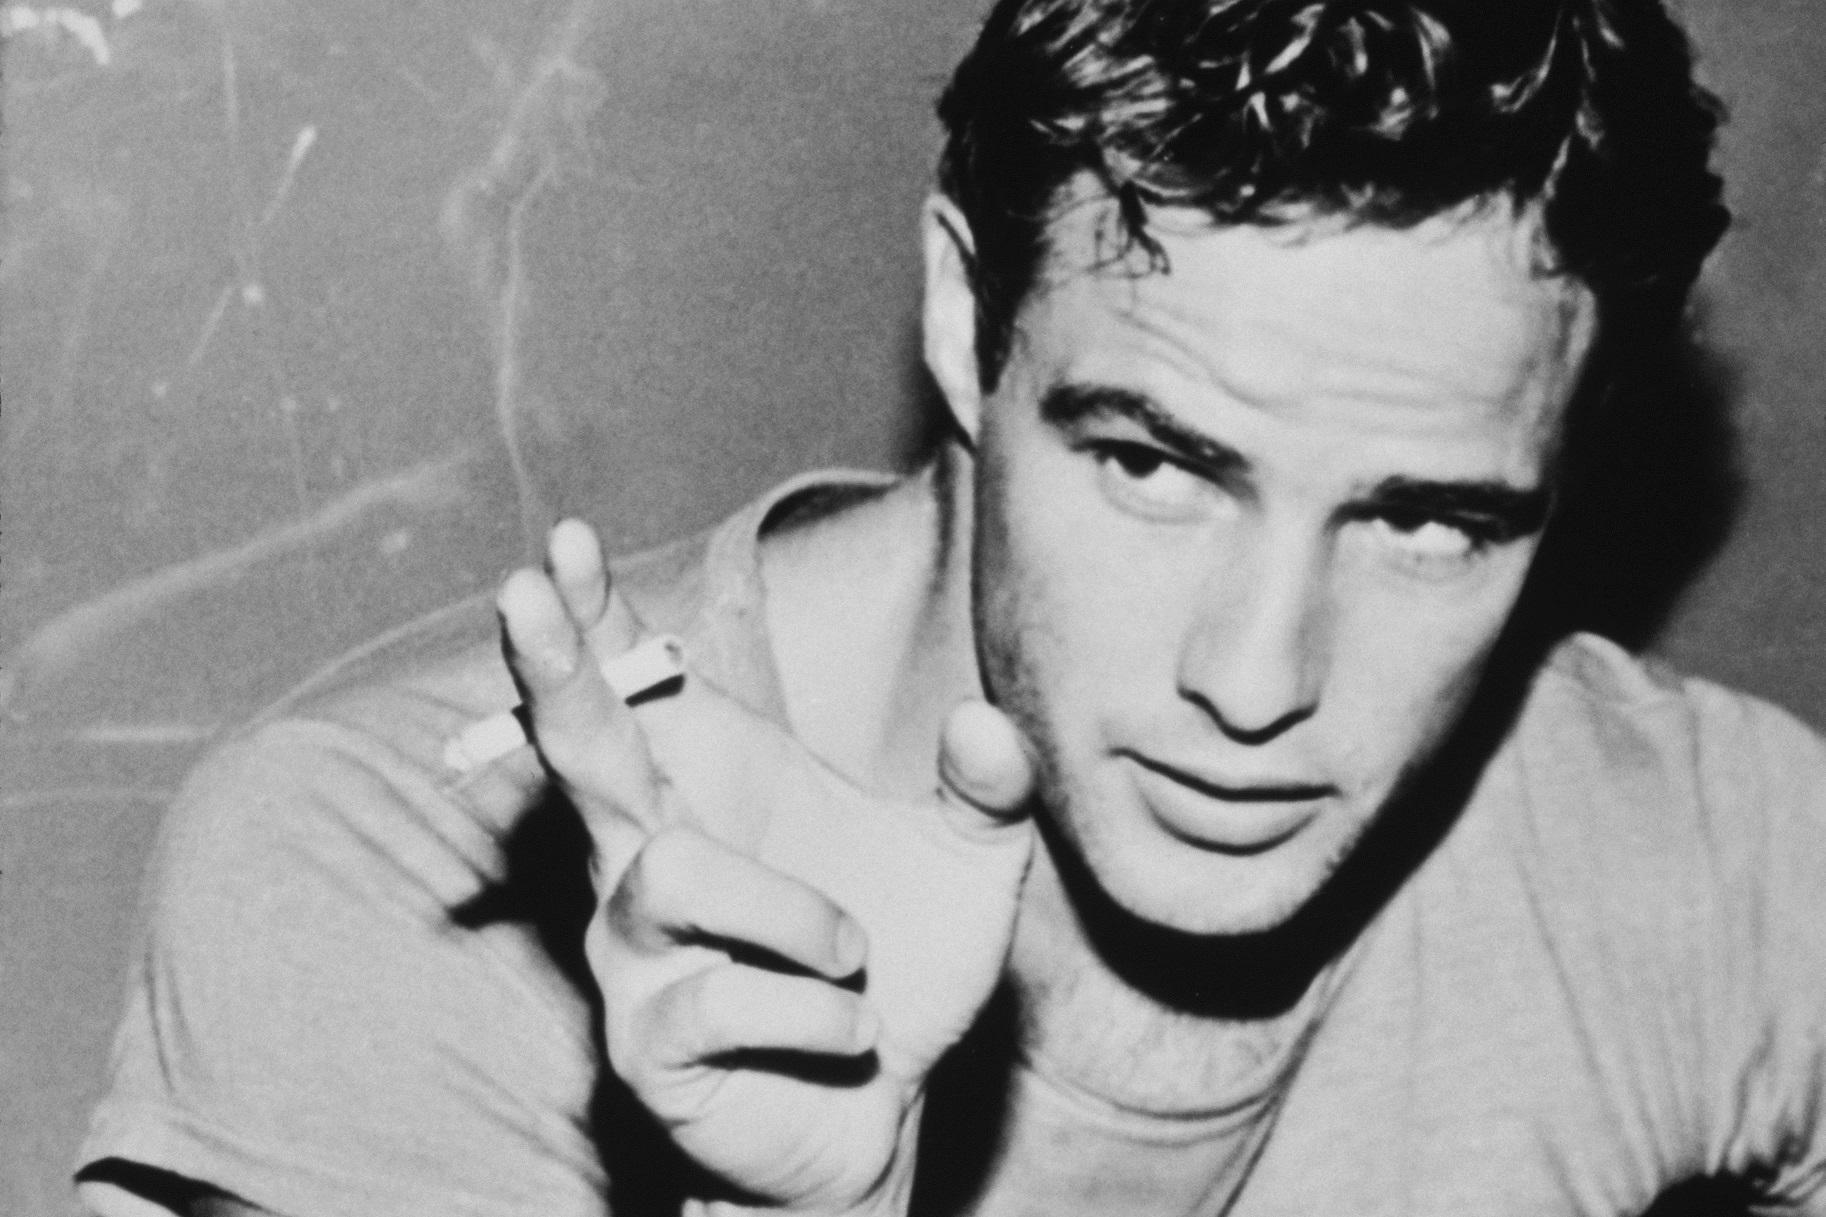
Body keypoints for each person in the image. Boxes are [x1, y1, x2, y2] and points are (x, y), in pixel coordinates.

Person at [76, 0, 1826, 1214]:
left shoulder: (1716, 857)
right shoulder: (400, 881)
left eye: (1427, 522)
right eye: (1152, 464)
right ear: (959, 311)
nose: (1254, 678)